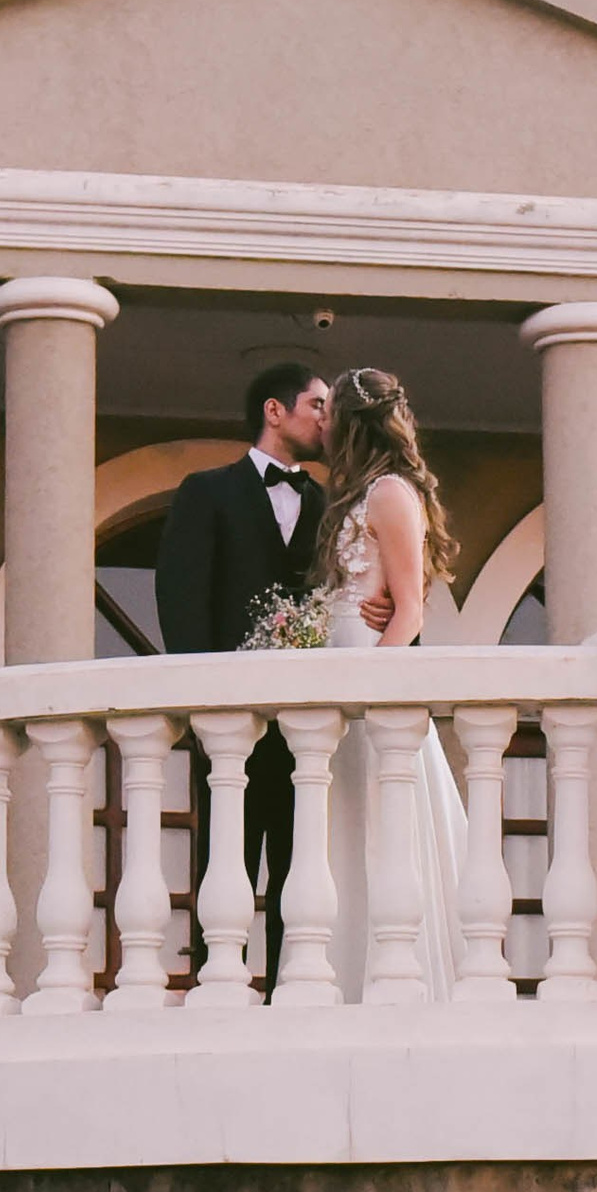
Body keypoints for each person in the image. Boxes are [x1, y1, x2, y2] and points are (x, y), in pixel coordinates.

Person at [155, 363, 361, 982]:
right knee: (227, 859)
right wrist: (204, 707)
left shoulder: (331, 508)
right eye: (317, 405)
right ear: (275, 411)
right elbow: (182, 599)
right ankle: (217, 985)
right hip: (231, 722)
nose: (327, 420)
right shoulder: (207, 492)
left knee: (302, 865)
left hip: (306, 727)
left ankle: (287, 990)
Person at [314, 366, 467, 1000]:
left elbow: (409, 611)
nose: (320, 423)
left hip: (369, 680)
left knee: (383, 824)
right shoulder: (355, 494)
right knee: (347, 827)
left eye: (327, 413)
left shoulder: (391, 494)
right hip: (341, 668)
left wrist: (370, 690)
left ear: (349, 423)